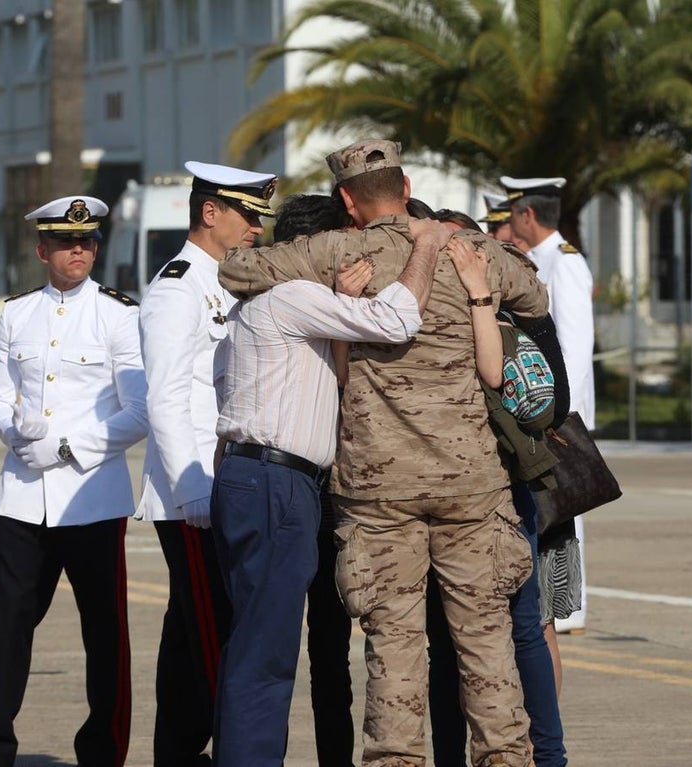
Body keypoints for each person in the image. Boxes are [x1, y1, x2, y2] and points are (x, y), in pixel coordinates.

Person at [217, 139, 549, 767]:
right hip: (470, 484)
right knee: (486, 641)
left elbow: (236, 272)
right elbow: (535, 296)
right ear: (408, 182)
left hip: (376, 491)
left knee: (392, 647)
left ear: (346, 198)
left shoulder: (339, 249)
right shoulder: (469, 249)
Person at [209, 194, 445, 767]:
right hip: (275, 483)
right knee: (265, 654)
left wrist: (341, 301)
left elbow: (334, 373)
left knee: (255, 644)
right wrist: (428, 247)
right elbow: (395, 319)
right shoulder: (294, 296)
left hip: (252, 478)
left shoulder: (260, 306)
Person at [0, 196, 149, 767]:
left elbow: (140, 410)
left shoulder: (120, 315)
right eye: (68, 242)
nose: (81, 250)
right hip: (22, 496)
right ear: (42, 248)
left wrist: (70, 445)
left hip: (90, 497)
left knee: (104, 631)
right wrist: (16, 432)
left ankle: (102, 752)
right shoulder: (18, 313)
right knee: (9, 629)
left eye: (89, 241)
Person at [135, 161, 275, 767]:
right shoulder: (176, 287)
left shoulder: (228, 279)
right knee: (217, 632)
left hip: (224, 482)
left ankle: (179, 750)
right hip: (195, 492)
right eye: (247, 215)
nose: (256, 229)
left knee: (190, 629)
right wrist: (190, 487)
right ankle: (223, 749)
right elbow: (164, 395)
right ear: (210, 212)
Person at [425, 227, 570, 767]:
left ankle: (544, 756)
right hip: (503, 487)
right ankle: (549, 758)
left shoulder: (491, 312)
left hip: (496, 492)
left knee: (499, 632)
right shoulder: (513, 304)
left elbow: (547, 396)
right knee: (520, 628)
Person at [271, 193, 359, 767]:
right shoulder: (268, 304)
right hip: (284, 485)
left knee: (331, 648)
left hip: (332, 494)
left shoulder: (345, 303)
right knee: (267, 644)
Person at [502, 175, 593, 648]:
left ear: (527, 215)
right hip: (549, 410)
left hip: (560, 413)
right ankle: (563, 604)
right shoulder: (542, 261)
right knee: (553, 509)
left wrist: (560, 417)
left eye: (513, 212)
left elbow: (573, 347)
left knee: (566, 508)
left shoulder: (565, 264)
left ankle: (569, 605)